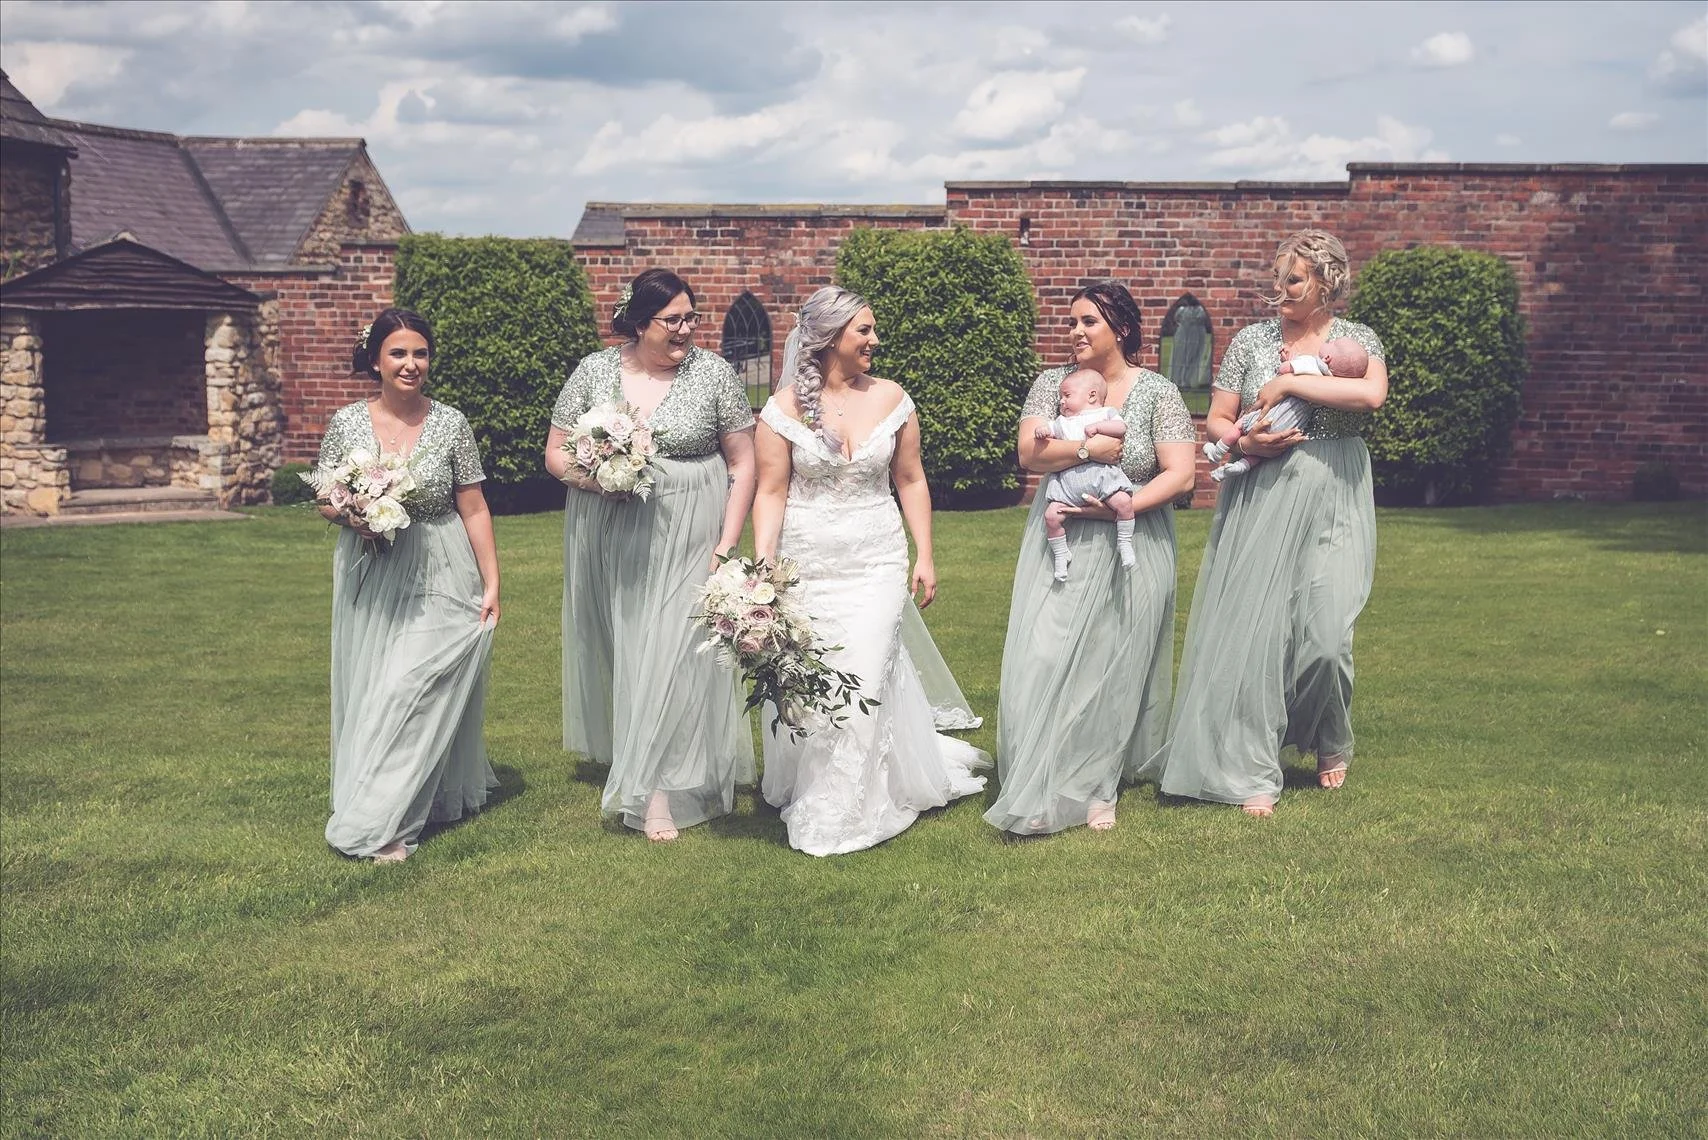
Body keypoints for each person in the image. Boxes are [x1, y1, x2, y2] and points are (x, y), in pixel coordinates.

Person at [1154, 230, 1389, 816]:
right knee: (1256, 632)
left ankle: (1329, 732)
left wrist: (1286, 383)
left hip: (1335, 488)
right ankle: (1250, 762)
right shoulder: (1251, 340)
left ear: (1327, 282)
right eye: (1278, 277)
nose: (1280, 289)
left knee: (1328, 638)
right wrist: (1244, 440)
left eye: (1294, 279)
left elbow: (1371, 396)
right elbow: (1218, 418)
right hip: (1263, 489)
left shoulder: (1358, 338)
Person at [751, 286, 989, 856]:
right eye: (864, 330)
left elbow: (911, 478)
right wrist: (764, 565)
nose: (874, 340)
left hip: (877, 559)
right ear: (830, 337)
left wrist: (924, 553)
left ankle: (844, 806)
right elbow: (771, 491)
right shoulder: (782, 410)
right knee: (818, 679)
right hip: (809, 564)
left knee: (866, 670)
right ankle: (822, 779)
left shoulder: (892, 398)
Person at [543, 268, 757, 841]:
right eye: (672, 320)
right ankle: (646, 762)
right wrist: (596, 479)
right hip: (611, 528)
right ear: (639, 323)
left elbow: (744, 463)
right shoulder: (593, 371)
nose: (685, 329)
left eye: (691, 318)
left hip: (692, 528)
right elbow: (555, 453)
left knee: (675, 651)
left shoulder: (714, 374)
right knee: (632, 648)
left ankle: (656, 793)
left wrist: (727, 543)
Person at [986, 282, 1197, 836]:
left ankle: (1097, 789)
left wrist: (1118, 510)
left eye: (1088, 322)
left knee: (1110, 667)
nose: (1075, 332)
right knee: (1045, 654)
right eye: (1072, 321)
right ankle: (1040, 776)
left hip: (1135, 541)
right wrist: (1086, 450)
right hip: (1062, 540)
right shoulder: (1051, 385)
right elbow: (1030, 453)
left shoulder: (1158, 393)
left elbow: (1181, 476)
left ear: (1121, 329)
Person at [317, 308, 501, 863]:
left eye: (420, 353)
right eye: (398, 353)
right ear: (375, 360)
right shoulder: (346, 423)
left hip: (443, 565)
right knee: (378, 689)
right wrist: (352, 514)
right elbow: (325, 497)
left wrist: (492, 582)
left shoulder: (451, 423)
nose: (410, 364)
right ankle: (384, 802)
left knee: (410, 686)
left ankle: (385, 822)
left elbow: (473, 506)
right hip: (372, 568)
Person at [1203, 337, 1370, 482]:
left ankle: (1218, 451)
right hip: (1289, 427)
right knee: (1263, 452)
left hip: (1271, 416)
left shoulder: (1312, 362)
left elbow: (1284, 370)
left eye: (1332, 343)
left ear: (1327, 358)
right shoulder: (1331, 383)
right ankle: (1241, 466)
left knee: (1240, 425)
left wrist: (1287, 364)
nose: (1328, 341)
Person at [1032, 367, 1138, 580]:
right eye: (1061, 397)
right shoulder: (1062, 422)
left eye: (1067, 395)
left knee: (1124, 503)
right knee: (1051, 516)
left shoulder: (1105, 413)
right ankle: (1061, 554)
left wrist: (1099, 427)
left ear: (1091, 396)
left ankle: (1125, 542)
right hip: (1068, 485)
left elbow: (1121, 428)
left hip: (1103, 480)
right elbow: (1049, 431)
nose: (1061, 401)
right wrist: (1043, 431)